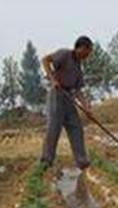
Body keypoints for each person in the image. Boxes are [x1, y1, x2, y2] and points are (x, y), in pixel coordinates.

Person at [39, 35, 93, 171]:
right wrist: (53, 79)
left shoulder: (78, 67)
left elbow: (79, 90)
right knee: (54, 128)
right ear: (80, 48)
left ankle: (81, 160)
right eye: (87, 52)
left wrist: (86, 107)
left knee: (76, 127)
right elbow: (45, 60)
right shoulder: (64, 54)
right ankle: (46, 160)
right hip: (57, 94)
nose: (88, 56)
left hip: (69, 96)